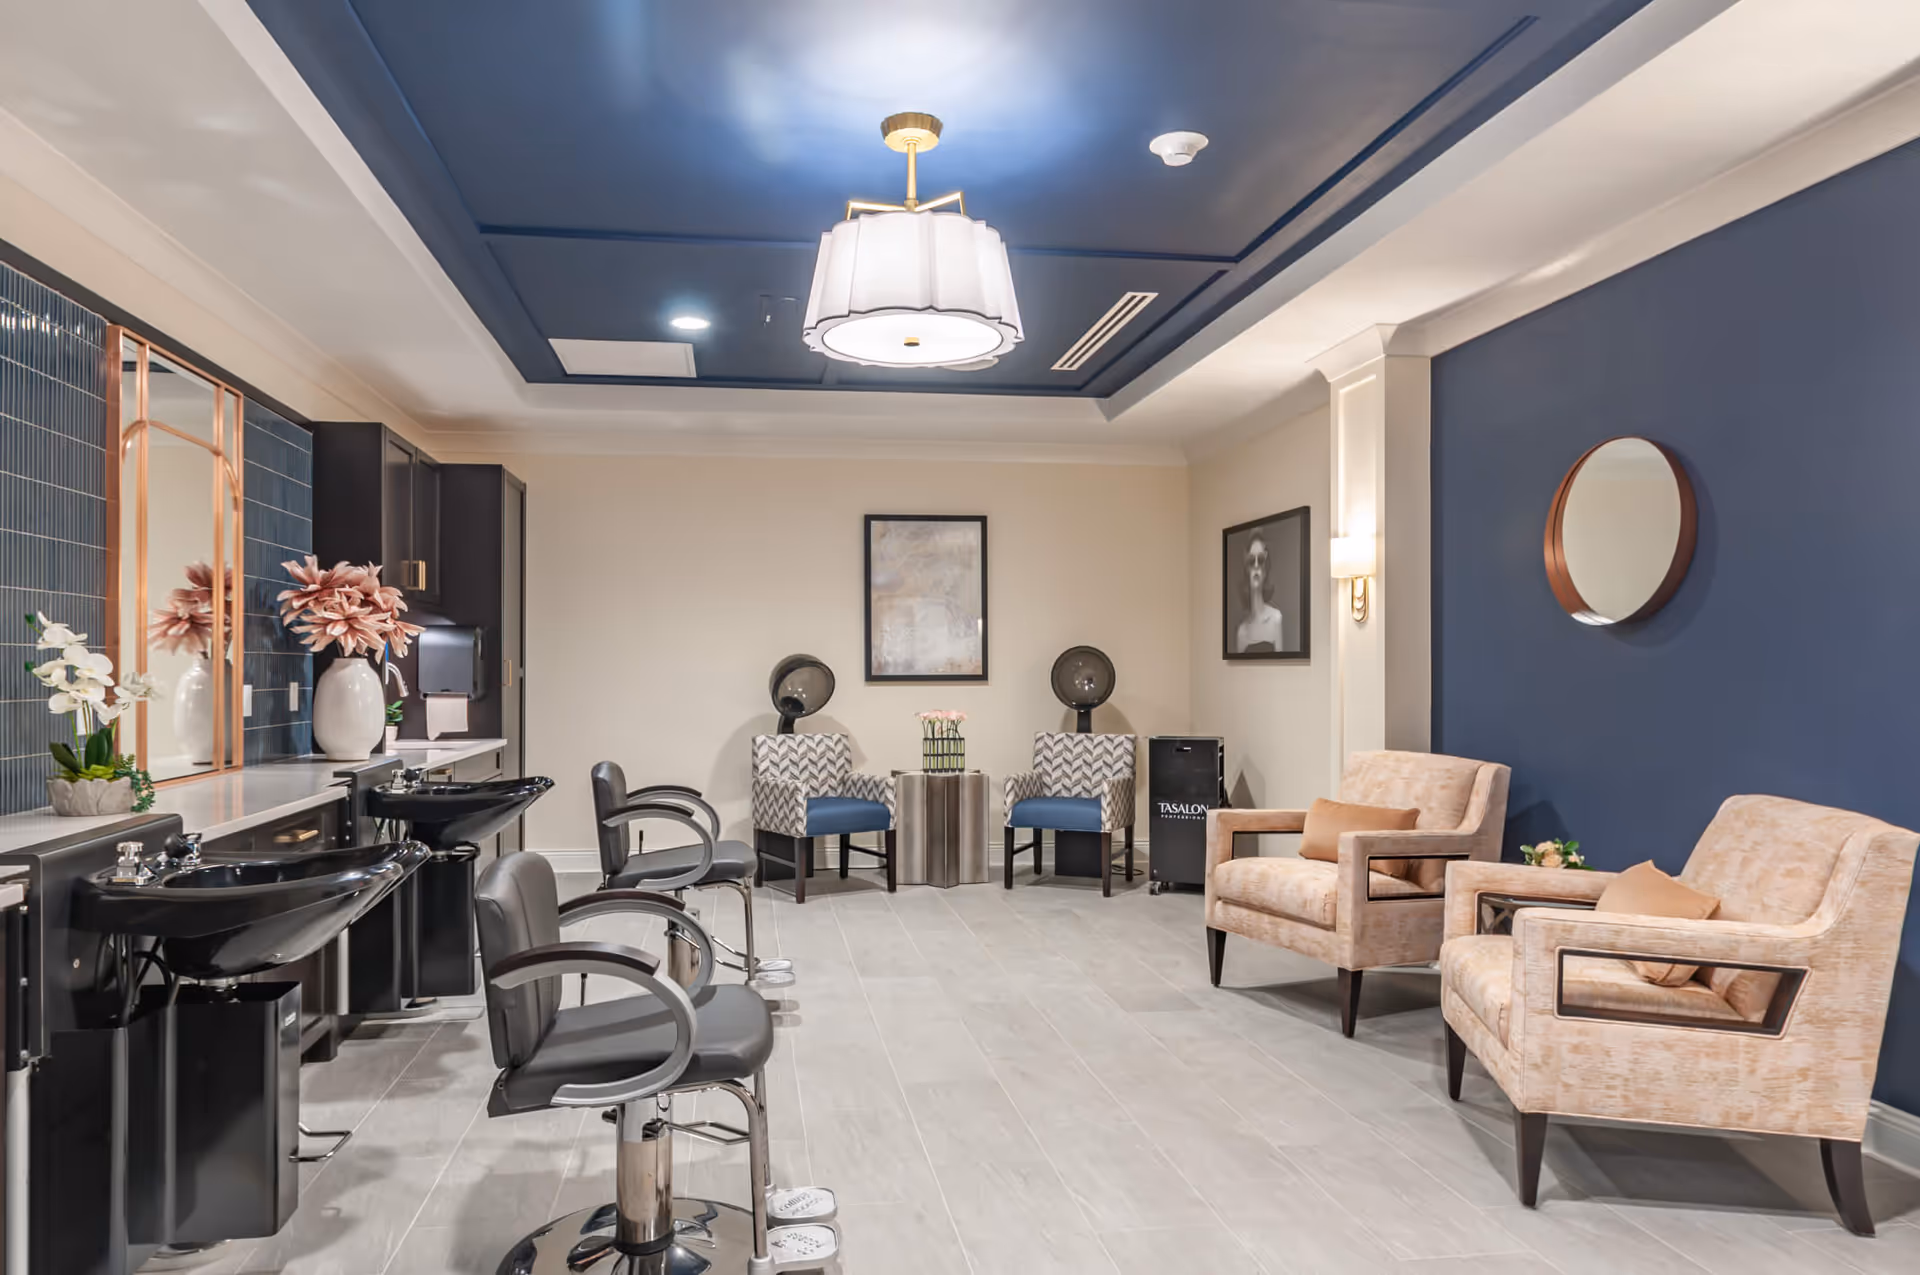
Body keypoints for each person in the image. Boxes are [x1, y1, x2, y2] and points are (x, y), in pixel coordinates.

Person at [1235, 532, 1284, 653]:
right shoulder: (1241, 632)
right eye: (1251, 560)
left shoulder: (1276, 619)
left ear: (1266, 569)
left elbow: (1281, 669)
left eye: (1261, 559)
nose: (1256, 565)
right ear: (1246, 570)